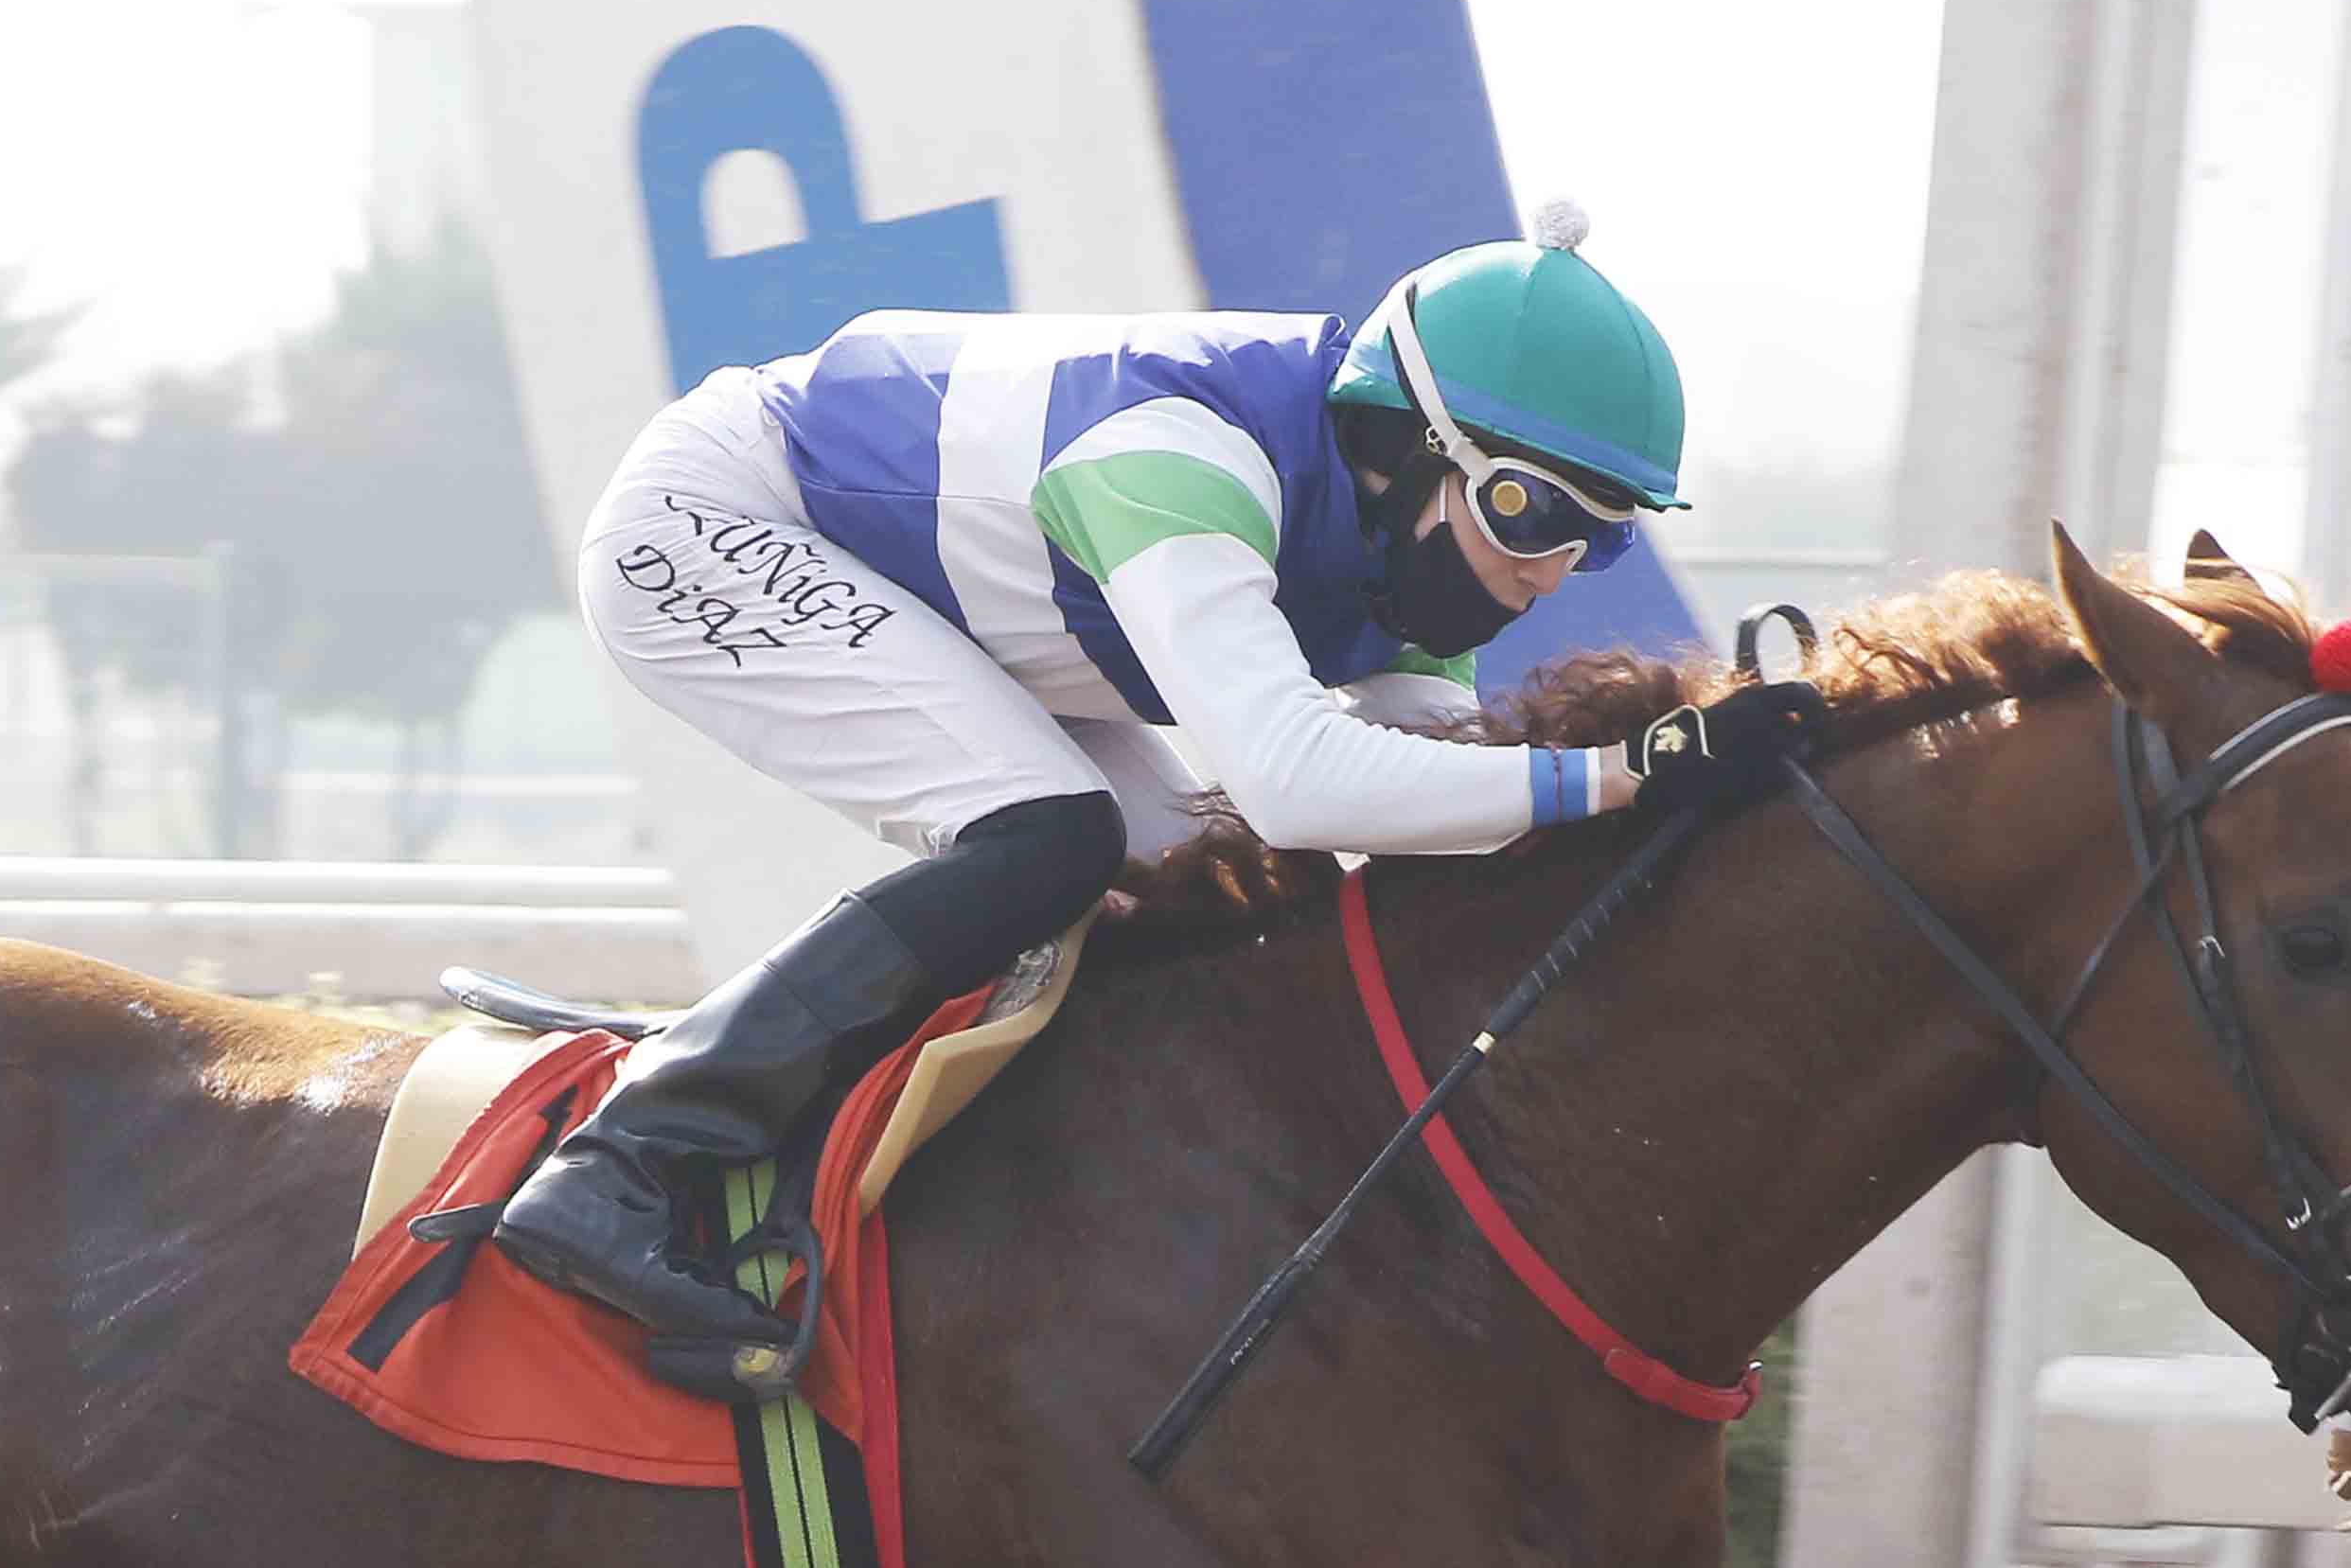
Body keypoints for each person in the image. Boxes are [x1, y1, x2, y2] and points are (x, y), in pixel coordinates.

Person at [491, 206, 1827, 1388]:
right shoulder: (1188, 458)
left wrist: (1672, 788)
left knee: (1205, 898)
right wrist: (1627, 772)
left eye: (1598, 537)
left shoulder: (1400, 548)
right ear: (1415, 446)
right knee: (1055, 839)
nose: (1550, 573)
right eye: (1532, 514)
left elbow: (1434, 804)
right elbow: (1298, 785)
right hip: (719, 517)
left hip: (944, 598)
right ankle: (627, 1161)